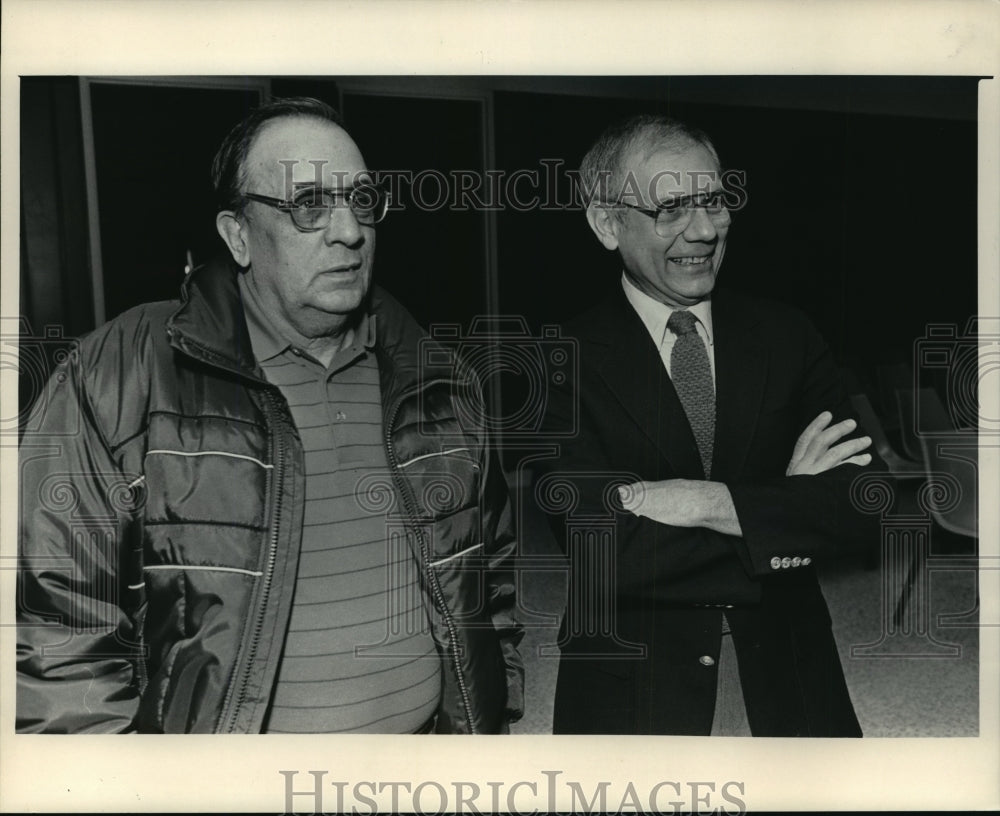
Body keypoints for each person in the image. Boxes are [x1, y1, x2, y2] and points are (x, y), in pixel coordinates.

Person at [17, 97, 523, 734]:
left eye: (362, 200)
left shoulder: (439, 379)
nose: (348, 230)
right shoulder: (120, 373)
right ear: (237, 235)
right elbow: (57, 634)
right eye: (309, 205)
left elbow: (490, 580)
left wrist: (492, 723)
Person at [538, 113, 880, 736]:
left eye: (715, 201)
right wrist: (786, 511)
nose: (704, 230)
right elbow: (602, 549)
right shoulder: (558, 361)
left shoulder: (788, 337)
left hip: (790, 669)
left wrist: (704, 501)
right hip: (634, 684)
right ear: (607, 223)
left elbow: (864, 504)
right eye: (671, 208)